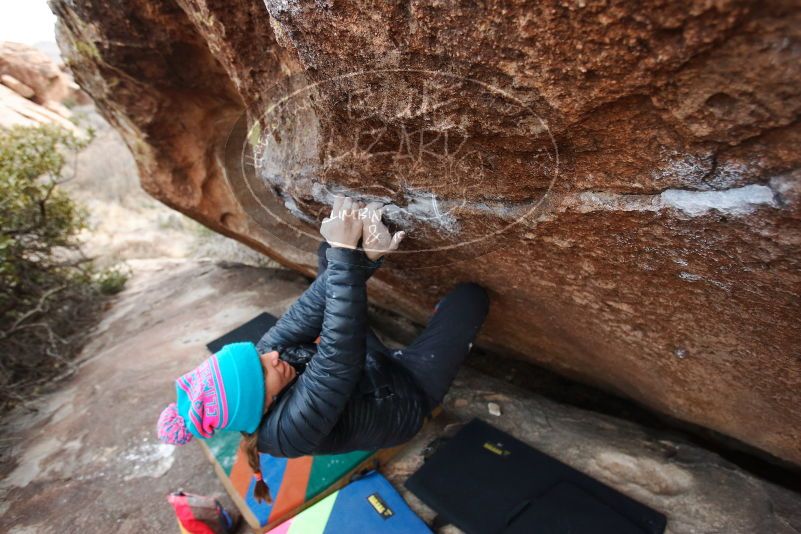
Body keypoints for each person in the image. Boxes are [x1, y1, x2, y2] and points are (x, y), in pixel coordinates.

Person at [157, 195, 489, 502]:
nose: (270, 356)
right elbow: (337, 359)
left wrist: (365, 259)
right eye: (262, 370)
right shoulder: (288, 433)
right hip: (408, 396)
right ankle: (440, 317)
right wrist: (347, 255)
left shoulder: (265, 360)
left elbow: (308, 310)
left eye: (257, 357)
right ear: (260, 404)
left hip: (369, 365)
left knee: (327, 255)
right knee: (470, 299)